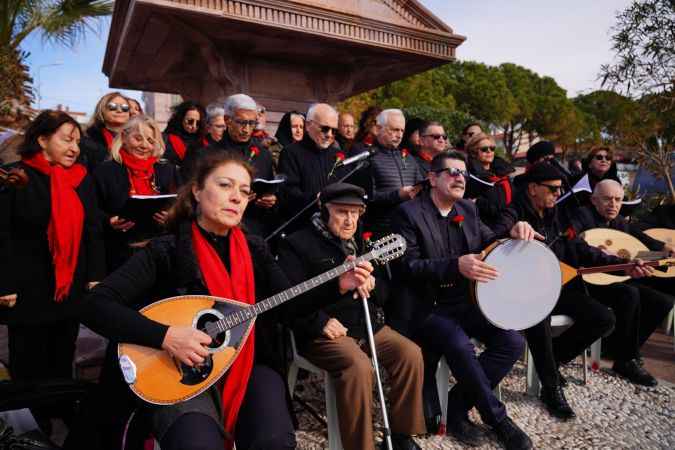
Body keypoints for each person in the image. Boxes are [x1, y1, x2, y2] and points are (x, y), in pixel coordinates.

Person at [81, 152, 372, 450]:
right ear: (196, 190)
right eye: (225, 185)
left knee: (274, 442)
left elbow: (288, 308)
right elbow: (94, 305)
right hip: (177, 367)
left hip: (248, 361)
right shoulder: (165, 250)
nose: (236, 198)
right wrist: (166, 336)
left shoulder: (255, 249)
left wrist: (337, 285)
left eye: (244, 191)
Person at [391, 151, 536, 450]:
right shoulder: (407, 213)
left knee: (512, 342)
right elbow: (407, 267)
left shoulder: (468, 211)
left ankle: (457, 407)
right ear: (432, 178)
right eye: (452, 172)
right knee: (459, 345)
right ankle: (498, 420)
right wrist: (455, 265)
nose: (460, 178)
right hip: (425, 306)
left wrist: (514, 232)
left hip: (466, 302)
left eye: (464, 173)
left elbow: (488, 241)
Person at [492, 162, 651, 419]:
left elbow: (581, 250)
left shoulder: (557, 216)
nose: (558, 193)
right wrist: (509, 233)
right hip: (520, 292)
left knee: (604, 318)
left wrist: (624, 267)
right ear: (533, 188)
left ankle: (553, 360)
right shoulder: (512, 213)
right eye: (553, 188)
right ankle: (551, 388)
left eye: (560, 189)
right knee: (538, 316)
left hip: (555, 286)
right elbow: (491, 236)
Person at [278, 183, 425, 450]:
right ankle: (360, 446)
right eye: (341, 212)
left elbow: (385, 292)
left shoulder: (362, 242)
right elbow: (287, 301)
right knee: (358, 367)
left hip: (365, 324)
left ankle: (402, 435)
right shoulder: (296, 244)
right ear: (324, 210)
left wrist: (372, 285)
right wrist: (319, 319)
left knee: (410, 354)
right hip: (323, 329)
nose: (349, 220)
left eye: (355, 213)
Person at [0, 111, 105, 422]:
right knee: (27, 357)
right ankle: (29, 420)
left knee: (63, 351)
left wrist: (96, 276)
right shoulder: (15, 176)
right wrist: (4, 284)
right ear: (43, 140)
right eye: (66, 139)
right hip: (27, 286)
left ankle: (59, 407)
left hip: (69, 284)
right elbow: (2, 234)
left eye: (77, 141)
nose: (74, 148)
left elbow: (93, 230)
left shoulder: (81, 179)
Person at [566, 179, 674, 385]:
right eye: (607, 199)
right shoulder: (582, 216)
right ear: (594, 200)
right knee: (629, 294)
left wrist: (663, 250)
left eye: (618, 200)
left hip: (614, 276)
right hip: (586, 279)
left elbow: (639, 239)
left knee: (663, 302)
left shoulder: (619, 222)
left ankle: (624, 350)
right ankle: (625, 359)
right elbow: (578, 247)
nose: (613, 204)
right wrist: (619, 262)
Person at [93, 115, 180, 272]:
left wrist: (172, 215)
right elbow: (92, 213)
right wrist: (109, 221)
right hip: (119, 254)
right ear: (124, 138)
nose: (144, 145)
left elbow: (183, 206)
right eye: (138, 139)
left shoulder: (167, 170)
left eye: (150, 141)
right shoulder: (105, 171)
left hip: (162, 252)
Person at [184, 94, 276, 237]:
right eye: (241, 122)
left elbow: (271, 188)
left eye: (252, 123)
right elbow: (191, 194)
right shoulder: (206, 155)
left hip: (255, 231)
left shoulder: (263, 155)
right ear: (227, 120)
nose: (246, 129)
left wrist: (271, 199)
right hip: (215, 230)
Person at [277, 103, 354, 233]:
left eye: (334, 131)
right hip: (302, 229)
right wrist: (314, 199)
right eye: (325, 128)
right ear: (308, 125)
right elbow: (287, 194)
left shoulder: (338, 156)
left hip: (335, 229)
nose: (329, 135)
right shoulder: (290, 153)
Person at [361, 109, 424, 238]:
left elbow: (421, 187)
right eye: (395, 130)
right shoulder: (367, 157)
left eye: (402, 131)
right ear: (379, 128)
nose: (399, 135)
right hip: (380, 230)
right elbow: (366, 197)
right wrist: (397, 195)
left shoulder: (408, 158)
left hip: (409, 228)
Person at [464, 132, 515, 228]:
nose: (489, 151)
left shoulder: (503, 174)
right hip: (487, 230)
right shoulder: (471, 178)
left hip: (510, 223)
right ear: (474, 153)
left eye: (492, 148)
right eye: (484, 149)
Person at [79, 92, 130, 172]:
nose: (119, 110)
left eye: (125, 108)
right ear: (102, 110)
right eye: (112, 107)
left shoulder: (135, 140)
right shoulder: (88, 140)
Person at [162, 100, 207, 165]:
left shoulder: (204, 142)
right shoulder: (166, 139)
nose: (194, 126)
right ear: (181, 118)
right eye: (190, 121)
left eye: (198, 123)